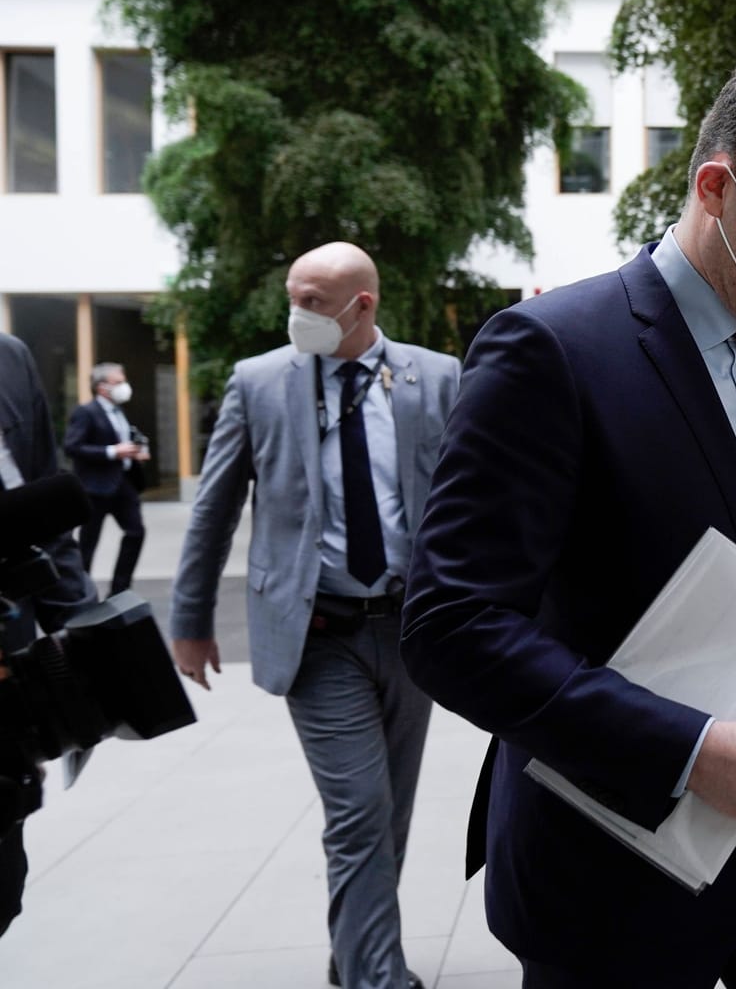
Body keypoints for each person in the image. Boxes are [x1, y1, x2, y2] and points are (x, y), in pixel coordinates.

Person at [400, 59, 736, 989]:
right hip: (612, 850)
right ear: (717, 188)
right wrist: (690, 752)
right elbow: (451, 627)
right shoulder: (552, 350)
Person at [169, 242, 461, 989]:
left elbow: (470, 498)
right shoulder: (260, 382)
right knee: (359, 809)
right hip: (317, 634)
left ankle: (354, 948)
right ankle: (376, 977)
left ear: (362, 306)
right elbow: (214, 508)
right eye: (292, 298)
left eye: (312, 302)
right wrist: (190, 619)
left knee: (390, 808)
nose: (296, 314)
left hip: (410, 629)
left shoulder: (435, 378)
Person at [0, 331, 97, 938]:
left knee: (3, 887)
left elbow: (44, 497)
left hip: (9, 662)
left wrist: (78, 628)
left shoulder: (10, 357)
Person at [63, 361, 151, 595]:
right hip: (95, 487)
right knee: (88, 543)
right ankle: (81, 592)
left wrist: (135, 451)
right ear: (102, 387)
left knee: (136, 532)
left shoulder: (119, 412)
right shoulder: (85, 412)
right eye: (119, 382)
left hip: (123, 483)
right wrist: (113, 451)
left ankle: (120, 589)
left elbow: (125, 440)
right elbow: (72, 447)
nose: (125, 386)